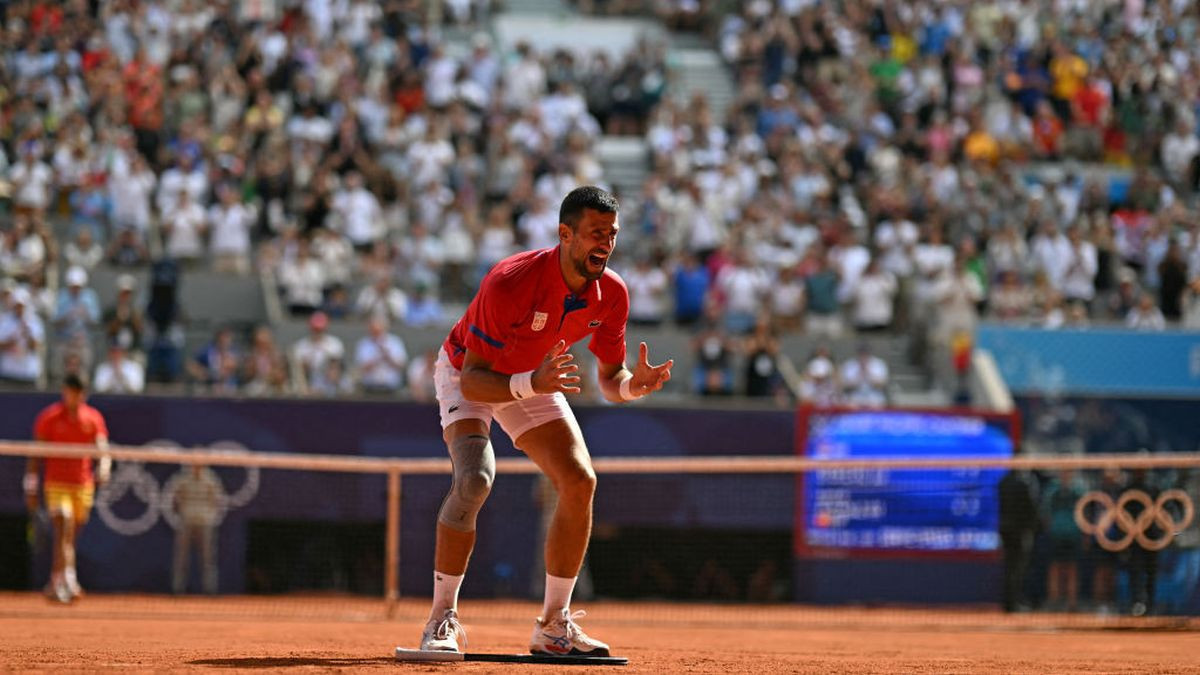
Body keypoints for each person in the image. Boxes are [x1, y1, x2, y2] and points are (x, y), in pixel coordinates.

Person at [418, 186, 672, 657]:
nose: (607, 244)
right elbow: (474, 381)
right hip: (471, 374)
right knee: (474, 480)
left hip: (534, 377)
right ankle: (441, 620)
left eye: (612, 235)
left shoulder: (612, 292)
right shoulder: (509, 281)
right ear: (565, 234)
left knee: (579, 481)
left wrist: (635, 386)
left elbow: (611, 379)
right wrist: (531, 382)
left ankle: (554, 626)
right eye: (596, 233)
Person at [25, 374, 111, 603]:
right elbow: (36, 456)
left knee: (69, 537)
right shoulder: (49, 417)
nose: (72, 397)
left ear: (83, 394)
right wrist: (31, 486)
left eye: (77, 393)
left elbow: (102, 449)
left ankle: (55, 580)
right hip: (56, 484)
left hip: (82, 485)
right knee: (64, 524)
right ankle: (70, 580)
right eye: (69, 392)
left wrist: (104, 467)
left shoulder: (93, 418)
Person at [171, 463, 222, 595]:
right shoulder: (183, 479)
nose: (197, 466)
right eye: (195, 463)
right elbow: (176, 498)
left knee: (207, 558)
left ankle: (210, 590)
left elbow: (217, 499)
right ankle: (178, 589)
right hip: (186, 521)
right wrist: (183, 512)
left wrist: (209, 515)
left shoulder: (211, 479)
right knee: (181, 558)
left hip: (205, 523)